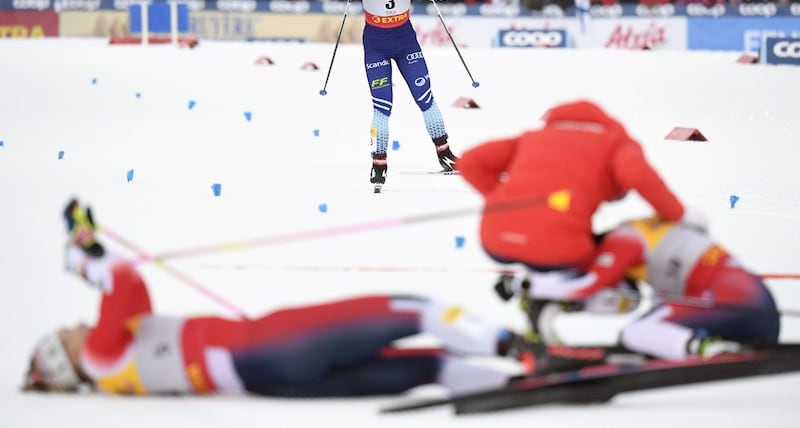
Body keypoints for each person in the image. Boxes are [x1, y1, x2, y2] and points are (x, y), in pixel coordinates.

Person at [24, 200, 522, 396]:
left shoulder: (115, 366)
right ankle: (514, 349)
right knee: (415, 309)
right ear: (65, 355)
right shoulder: (99, 355)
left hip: (266, 378)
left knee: (430, 367)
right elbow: (121, 282)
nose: (73, 325)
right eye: (63, 333)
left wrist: (87, 243)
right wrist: (81, 260)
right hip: (268, 344)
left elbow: (130, 292)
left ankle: (505, 384)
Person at [497, 216, 780, 362]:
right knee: (642, 318)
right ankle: (706, 344)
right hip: (762, 315)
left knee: (635, 333)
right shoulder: (642, 237)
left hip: (731, 301)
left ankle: (707, 349)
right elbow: (627, 300)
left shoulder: (621, 241)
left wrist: (530, 285)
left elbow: (590, 285)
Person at [457, 99, 686, 273]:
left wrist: (500, 196)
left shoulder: (533, 137)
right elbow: (638, 174)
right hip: (559, 249)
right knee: (622, 245)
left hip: (495, 240)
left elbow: (469, 162)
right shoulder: (614, 142)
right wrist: (678, 216)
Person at [323, 0, 458, 189]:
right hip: (376, 46)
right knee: (382, 107)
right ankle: (379, 163)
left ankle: (445, 154)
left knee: (426, 99)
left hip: (406, 42)